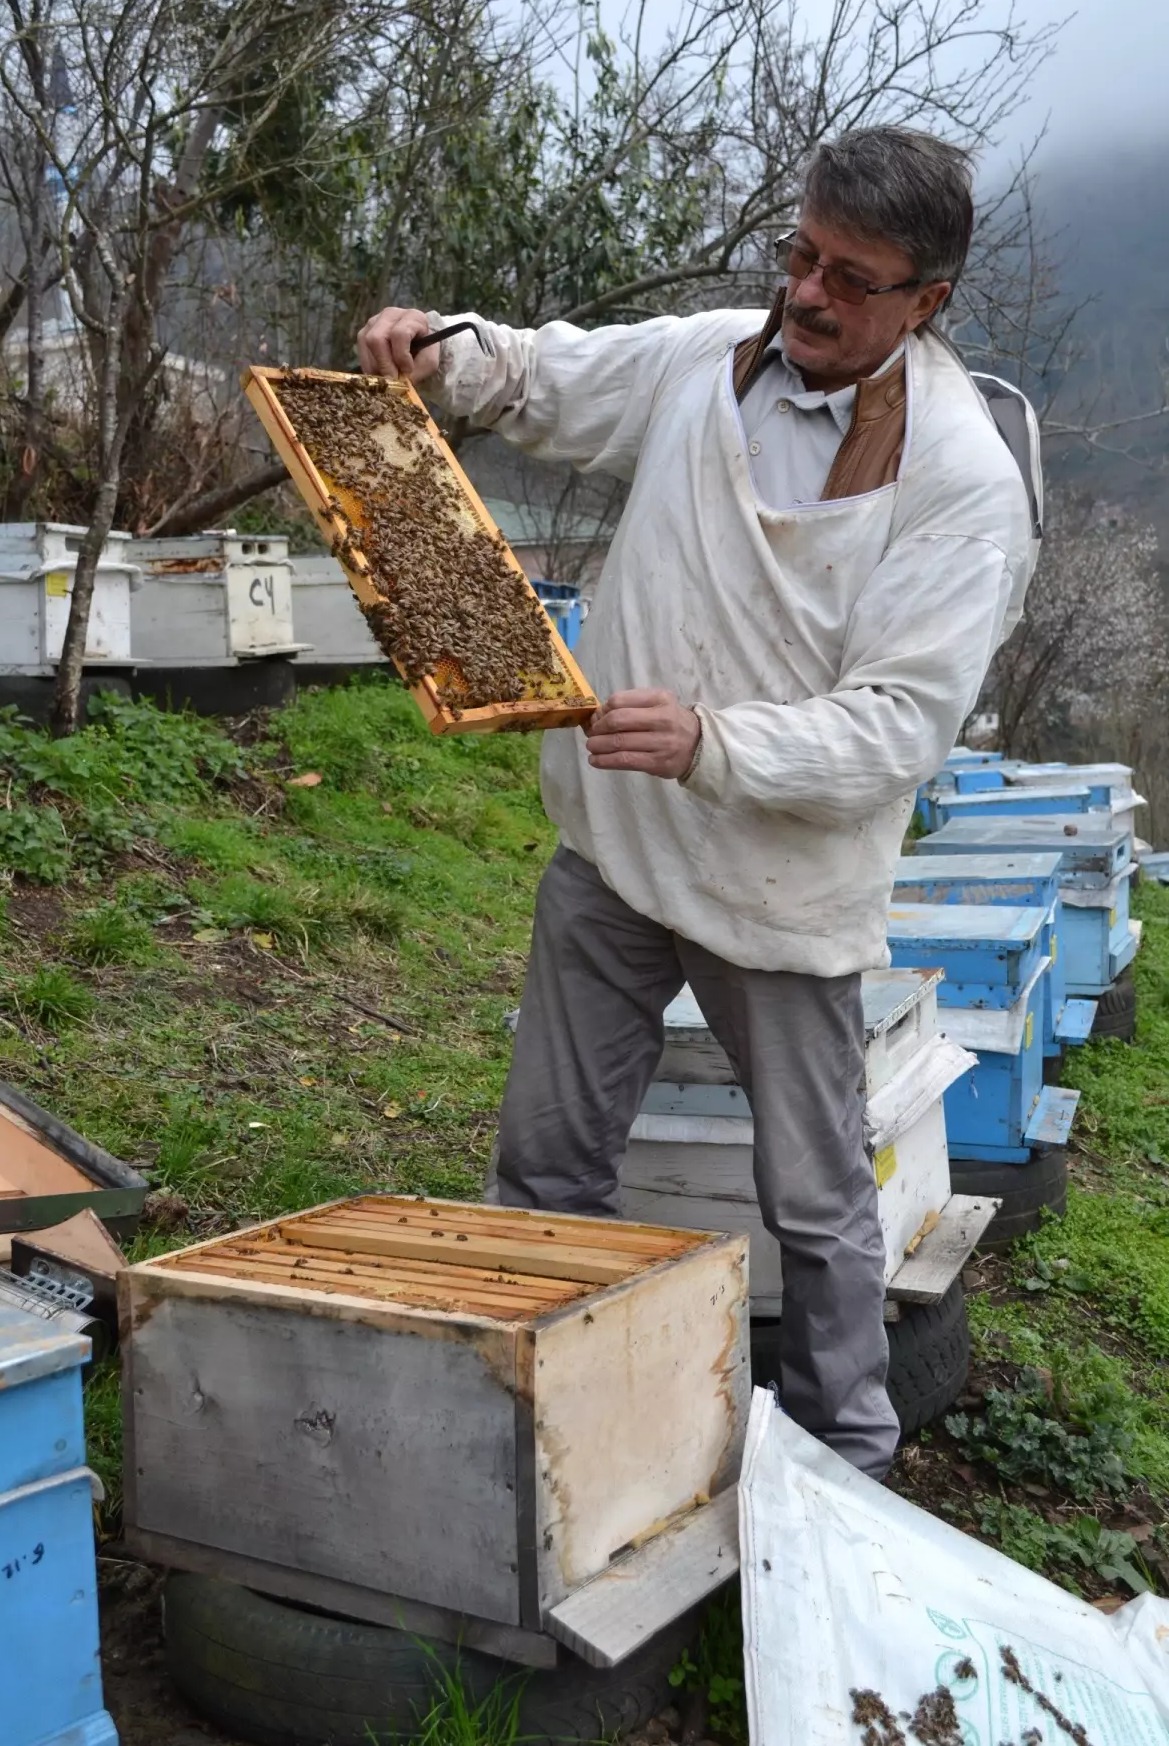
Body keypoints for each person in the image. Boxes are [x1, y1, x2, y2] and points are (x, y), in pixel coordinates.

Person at [357, 126, 1039, 1480]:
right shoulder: (706, 362)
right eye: (801, 255)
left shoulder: (962, 481)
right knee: (548, 1158)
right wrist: (445, 352)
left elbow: (899, 724)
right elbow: (545, 374)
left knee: (815, 1189)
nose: (810, 293)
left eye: (853, 277)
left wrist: (713, 744)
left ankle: (850, 1455)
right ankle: (547, 1420)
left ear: (929, 303)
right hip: (613, 844)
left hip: (773, 884)